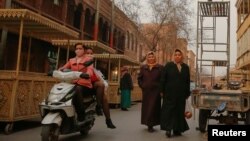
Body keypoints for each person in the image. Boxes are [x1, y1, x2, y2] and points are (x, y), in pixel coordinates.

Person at [59, 43, 94, 122]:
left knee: (77, 89)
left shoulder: (88, 60)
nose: (78, 50)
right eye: (76, 49)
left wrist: (87, 74)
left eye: (80, 48)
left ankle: (81, 115)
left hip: (85, 85)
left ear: (84, 50)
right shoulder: (71, 60)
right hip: (73, 84)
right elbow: (63, 68)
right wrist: (56, 71)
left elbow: (90, 70)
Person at [160, 49, 190, 137]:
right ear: (174, 56)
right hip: (169, 93)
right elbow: (163, 79)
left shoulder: (185, 67)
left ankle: (177, 129)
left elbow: (187, 81)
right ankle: (168, 129)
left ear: (182, 56)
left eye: (179, 55)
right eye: (175, 55)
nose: (177, 56)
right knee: (169, 111)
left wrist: (187, 93)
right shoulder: (168, 65)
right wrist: (161, 90)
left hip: (181, 94)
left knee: (179, 112)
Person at [85, 47, 116, 129]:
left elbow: (99, 78)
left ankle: (108, 120)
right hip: (83, 86)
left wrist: (104, 87)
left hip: (92, 86)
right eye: (87, 53)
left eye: (91, 53)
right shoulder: (80, 62)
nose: (89, 55)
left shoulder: (94, 66)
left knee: (104, 98)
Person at [137, 51, 163, 132]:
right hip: (146, 92)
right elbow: (139, 78)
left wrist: (160, 89)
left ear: (155, 57)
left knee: (153, 108)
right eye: (149, 57)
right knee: (147, 108)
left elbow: (163, 79)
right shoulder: (143, 67)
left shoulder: (160, 67)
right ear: (147, 58)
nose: (151, 58)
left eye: (152, 57)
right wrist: (143, 86)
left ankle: (151, 124)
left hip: (156, 92)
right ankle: (148, 124)